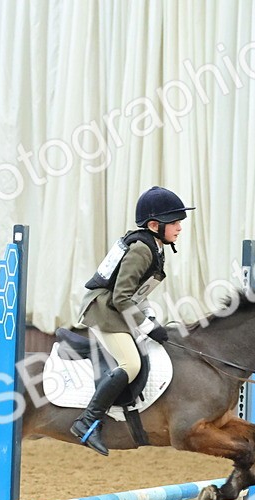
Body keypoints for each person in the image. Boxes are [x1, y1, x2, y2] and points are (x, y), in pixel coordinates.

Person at [70, 186, 195, 456]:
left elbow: (139, 293)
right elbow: (121, 297)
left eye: (179, 222)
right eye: (174, 222)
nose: (179, 227)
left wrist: (151, 319)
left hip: (118, 308)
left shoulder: (155, 248)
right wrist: (148, 327)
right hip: (103, 309)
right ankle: (87, 421)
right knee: (132, 363)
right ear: (154, 225)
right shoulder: (141, 249)